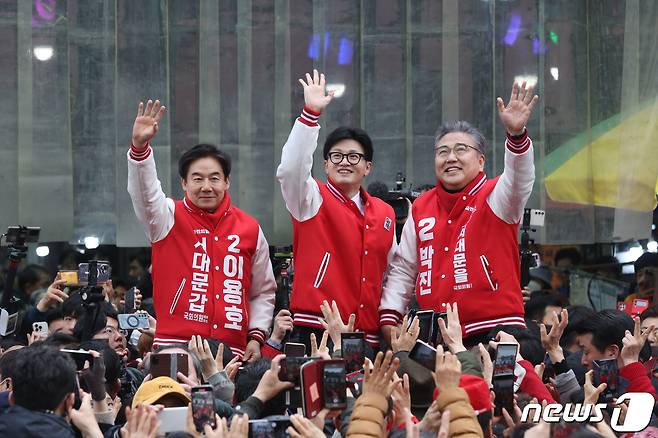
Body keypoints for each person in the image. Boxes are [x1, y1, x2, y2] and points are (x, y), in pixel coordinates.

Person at [379, 82, 539, 347]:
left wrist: (516, 134)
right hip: (436, 335)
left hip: (494, 331)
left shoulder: (496, 195)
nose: (450, 157)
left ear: (481, 160)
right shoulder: (420, 207)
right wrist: (390, 317)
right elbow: (404, 270)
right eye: (443, 152)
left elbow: (521, 179)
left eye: (461, 150)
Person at [127, 99, 276, 360]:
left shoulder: (250, 227)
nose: (206, 186)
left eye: (214, 178)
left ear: (227, 181)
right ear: (184, 183)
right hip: (176, 347)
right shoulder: (166, 217)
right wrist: (140, 150)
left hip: (232, 350)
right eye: (197, 179)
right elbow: (145, 194)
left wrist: (256, 335)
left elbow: (263, 290)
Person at [276, 70, 397, 349]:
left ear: (367, 167)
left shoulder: (385, 213)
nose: (345, 162)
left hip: (368, 335)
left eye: (354, 156)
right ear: (326, 164)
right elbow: (291, 170)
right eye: (337, 156)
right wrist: (310, 115)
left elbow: (392, 273)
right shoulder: (310, 197)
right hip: (315, 329)